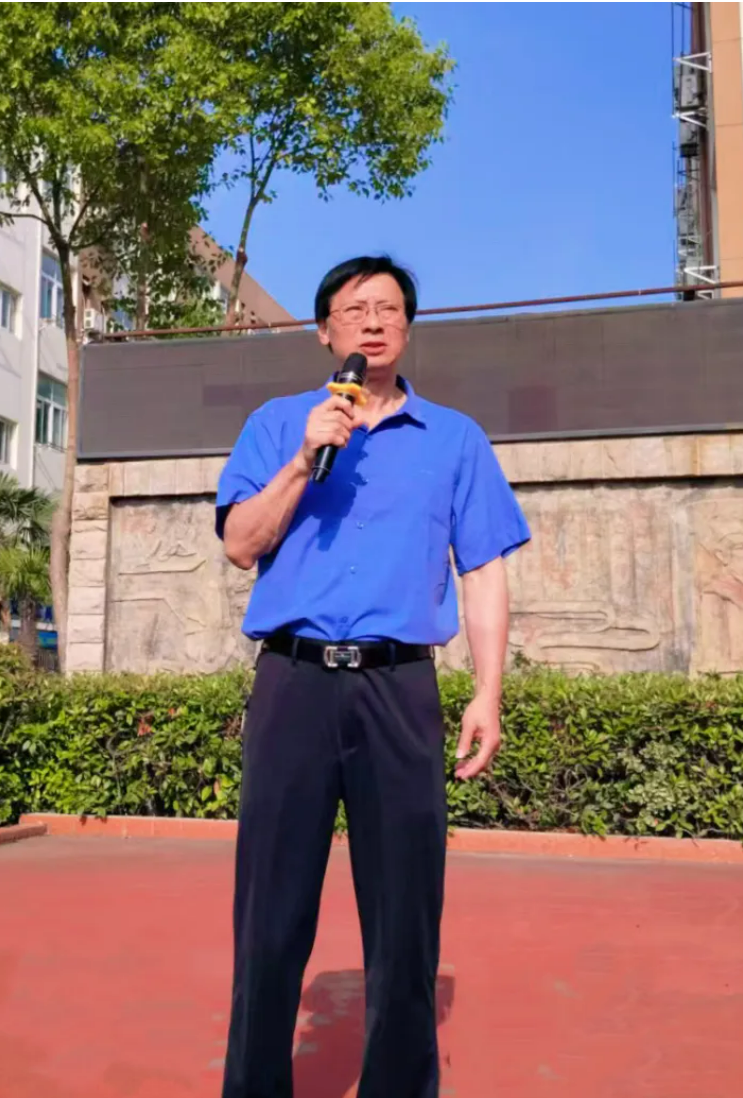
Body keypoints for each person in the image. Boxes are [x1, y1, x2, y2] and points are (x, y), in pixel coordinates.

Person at [215, 256, 531, 1098]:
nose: (374, 322)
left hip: (399, 689)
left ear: (408, 328)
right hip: (294, 683)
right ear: (326, 333)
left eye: (389, 308)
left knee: (405, 916)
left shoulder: (455, 440)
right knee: (270, 914)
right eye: (355, 310)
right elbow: (241, 544)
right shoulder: (277, 424)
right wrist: (302, 459)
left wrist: (488, 691)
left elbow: (484, 570)